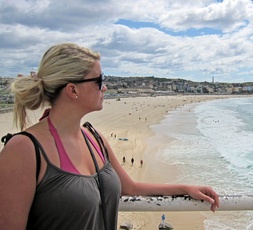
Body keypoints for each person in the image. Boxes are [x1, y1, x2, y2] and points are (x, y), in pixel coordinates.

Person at [0, 43, 219, 230]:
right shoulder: (24, 150)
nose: (104, 87)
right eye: (99, 80)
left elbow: (130, 188)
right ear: (72, 90)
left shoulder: (94, 139)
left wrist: (185, 189)